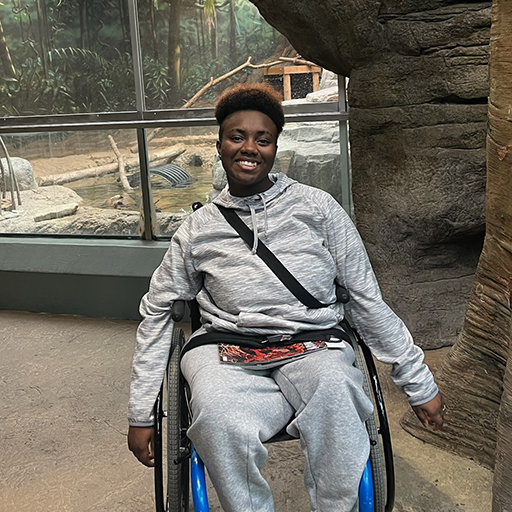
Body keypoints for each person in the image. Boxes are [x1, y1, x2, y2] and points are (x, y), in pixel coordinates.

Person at [128, 83, 444, 512]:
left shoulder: (319, 208)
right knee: (217, 414)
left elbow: (366, 298)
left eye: (263, 139)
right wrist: (142, 413)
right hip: (227, 345)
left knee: (338, 388)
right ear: (219, 144)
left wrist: (417, 381)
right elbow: (158, 310)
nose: (249, 148)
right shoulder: (198, 229)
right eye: (237, 136)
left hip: (312, 340)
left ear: (276, 146)